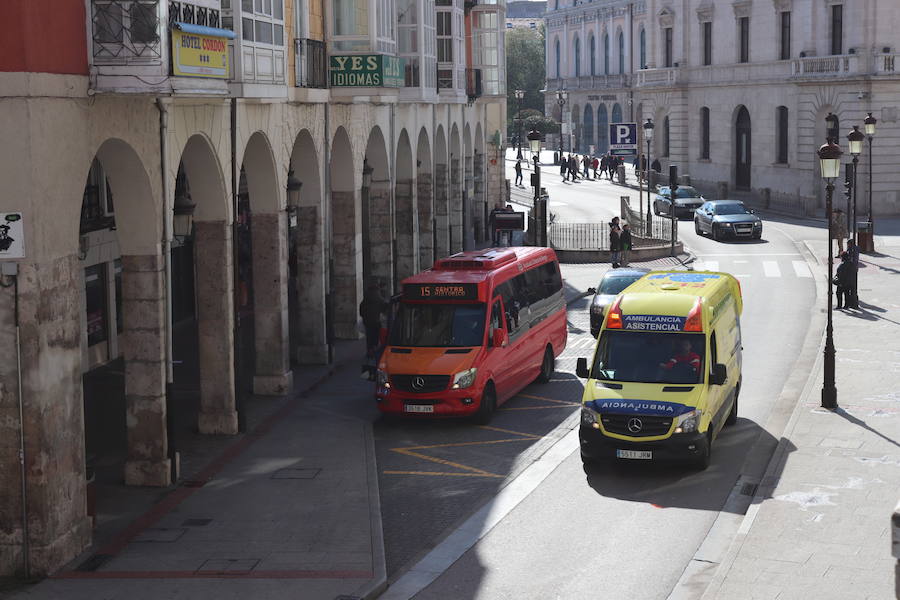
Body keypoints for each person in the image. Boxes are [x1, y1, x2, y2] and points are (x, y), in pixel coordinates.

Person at [360, 282, 387, 358]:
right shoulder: (379, 298)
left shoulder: (365, 299)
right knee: (376, 336)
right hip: (376, 321)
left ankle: (369, 351)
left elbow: (361, 311)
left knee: (369, 337)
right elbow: (384, 308)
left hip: (367, 322)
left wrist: (365, 317)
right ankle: (374, 350)